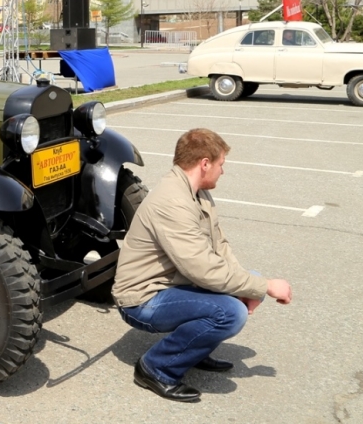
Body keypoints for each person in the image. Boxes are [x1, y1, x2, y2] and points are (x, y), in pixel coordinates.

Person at [112, 128, 293, 402]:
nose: (223, 171)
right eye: (221, 165)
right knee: (231, 313)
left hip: (173, 285)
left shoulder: (197, 191)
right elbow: (203, 270)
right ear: (205, 163)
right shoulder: (173, 202)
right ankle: (156, 368)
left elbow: (219, 247)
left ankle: (193, 350)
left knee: (248, 280)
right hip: (142, 300)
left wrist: (252, 286)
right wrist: (265, 287)